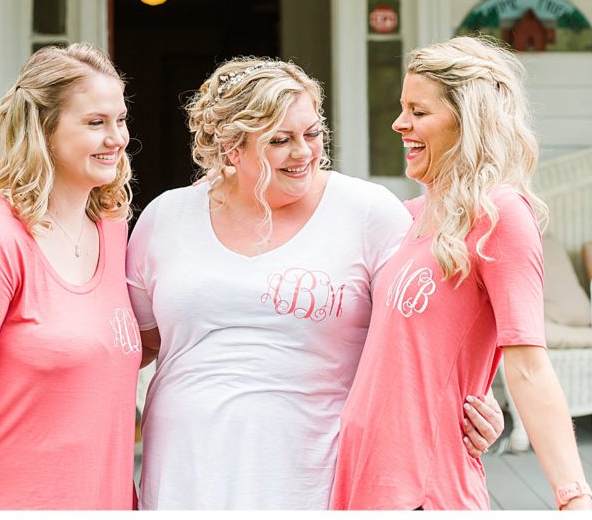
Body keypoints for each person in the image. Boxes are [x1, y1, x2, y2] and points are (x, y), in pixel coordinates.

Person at [127, 57, 503, 510]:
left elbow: (422, 330)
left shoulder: (366, 212)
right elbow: (134, 346)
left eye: (312, 133)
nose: (303, 152)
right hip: (188, 466)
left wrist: (471, 399)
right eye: (280, 140)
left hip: (316, 469)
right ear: (231, 146)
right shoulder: (166, 217)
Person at [330, 36, 592, 511]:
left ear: (467, 121)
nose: (400, 123)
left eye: (419, 111)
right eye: (401, 107)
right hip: (362, 477)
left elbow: (529, 366)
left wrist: (573, 497)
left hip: (426, 488)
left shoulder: (500, 215)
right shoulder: (404, 218)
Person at [0, 43, 141, 510]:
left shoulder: (113, 226)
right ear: (45, 129)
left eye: (120, 120)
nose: (116, 137)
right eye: (95, 122)